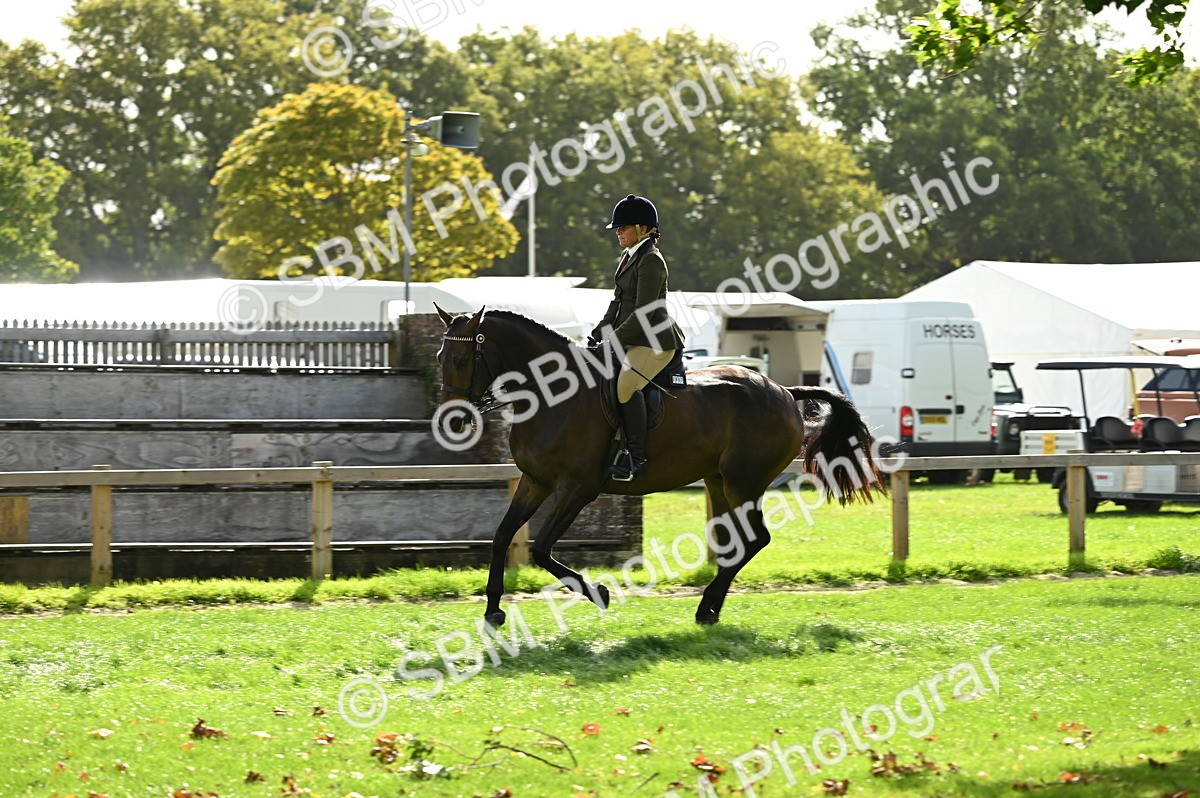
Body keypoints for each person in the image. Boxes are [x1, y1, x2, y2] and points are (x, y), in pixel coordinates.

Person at [590, 194, 686, 481]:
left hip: (655, 340)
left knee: (625, 386)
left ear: (643, 229)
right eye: (617, 228)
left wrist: (613, 342)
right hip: (633, 338)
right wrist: (599, 331)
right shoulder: (628, 257)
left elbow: (644, 312)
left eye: (623, 227)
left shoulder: (651, 260)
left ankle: (635, 458)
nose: (618, 232)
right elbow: (618, 302)